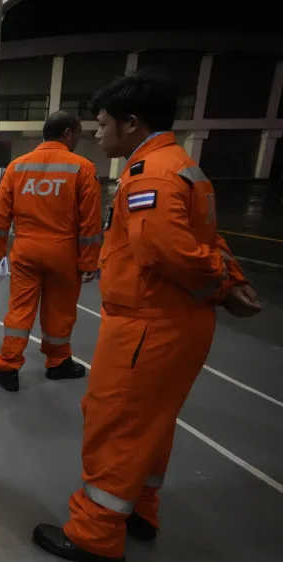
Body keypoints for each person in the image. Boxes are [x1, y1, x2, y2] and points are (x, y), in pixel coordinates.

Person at [33, 72, 263, 562]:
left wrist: (221, 284)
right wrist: (232, 277)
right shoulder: (181, 167)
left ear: (132, 123)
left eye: (103, 124)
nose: (97, 132)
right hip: (176, 324)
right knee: (151, 426)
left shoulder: (149, 175)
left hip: (148, 324)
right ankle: (139, 509)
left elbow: (169, 249)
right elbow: (208, 236)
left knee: (114, 422)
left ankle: (94, 535)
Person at [0, 111, 102, 392]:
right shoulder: (83, 168)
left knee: (20, 309)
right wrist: (89, 262)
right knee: (60, 310)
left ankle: (8, 368)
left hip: (25, 251)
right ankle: (58, 362)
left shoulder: (17, 167)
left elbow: (1, 214)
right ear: (69, 133)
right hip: (64, 253)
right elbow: (91, 223)